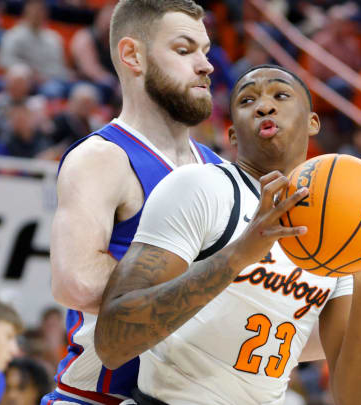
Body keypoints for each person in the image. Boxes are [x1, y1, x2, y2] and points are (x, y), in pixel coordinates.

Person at [95, 64, 361, 404]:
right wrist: (240, 254)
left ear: (314, 122)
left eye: (280, 95)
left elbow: (355, 396)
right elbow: (113, 343)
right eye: (247, 100)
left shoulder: (332, 224)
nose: (264, 106)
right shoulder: (201, 188)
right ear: (231, 132)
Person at [43, 0, 223, 403]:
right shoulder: (103, 158)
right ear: (132, 55)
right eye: (184, 50)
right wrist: (221, 282)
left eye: (205, 51)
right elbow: (77, 281)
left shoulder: (223, 173)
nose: (205, 65)